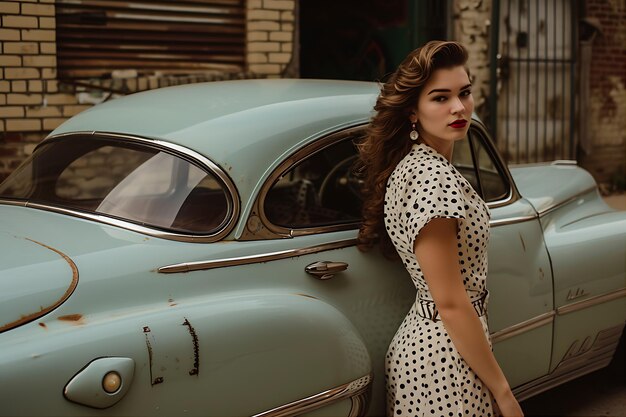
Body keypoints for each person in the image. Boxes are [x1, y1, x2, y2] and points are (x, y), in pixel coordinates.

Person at [357, 40, 524, 416]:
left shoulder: (414, 165)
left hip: (432, 352)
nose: (459, 107)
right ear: (413, 112)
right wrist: (504, 393)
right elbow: (450, 303)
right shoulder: (434, 178)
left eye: (464, 93)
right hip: (443, 363)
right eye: (440, 98)